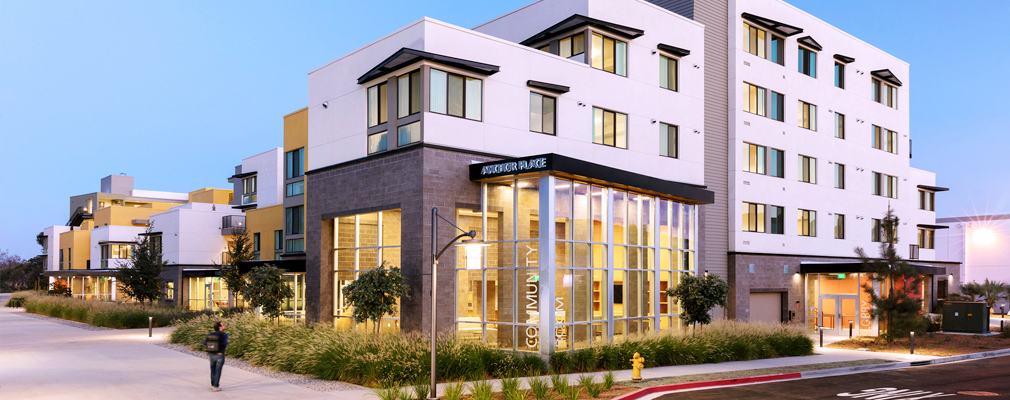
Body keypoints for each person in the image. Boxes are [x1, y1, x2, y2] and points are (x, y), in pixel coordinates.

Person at [202, 322, 229, 392]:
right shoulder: (224, 335)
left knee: (213, 369)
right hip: (220, 354)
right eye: (223, 325)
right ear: (220, 327)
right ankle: (215, 386)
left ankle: (212, 384)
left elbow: (204, 342)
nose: (224, 326)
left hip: (211, 354)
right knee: (218, 370)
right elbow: (225, 343)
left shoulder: (210, 334)